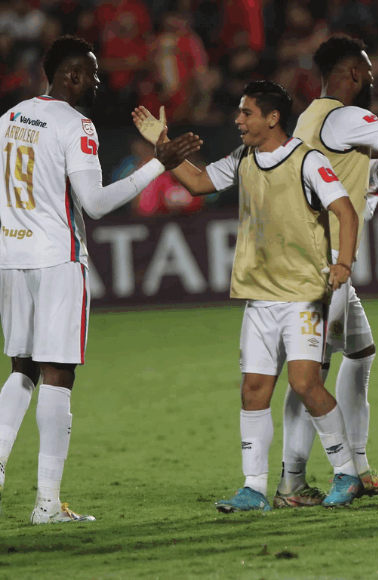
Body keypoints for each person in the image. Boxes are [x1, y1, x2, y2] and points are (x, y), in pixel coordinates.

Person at [132, 80, 363, 510]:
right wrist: (163, 147)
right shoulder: (243, 158)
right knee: (253, 389)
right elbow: (199, 182)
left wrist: (343, 263)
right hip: (259, 295)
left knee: (305, 384)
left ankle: (347, 474)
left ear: (272, 118)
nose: (238, 120)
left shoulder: (307, 161)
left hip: (302, 295)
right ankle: (254, 488)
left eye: (246, 113)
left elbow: (345, 211)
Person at [0, 35, 201, 524]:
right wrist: (161, 164)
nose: (97, 79)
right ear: (70, 75)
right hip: (57, 256)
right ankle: (47, 503)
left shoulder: (9, 118)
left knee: (21, 367)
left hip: (11, 253)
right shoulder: (76, 124)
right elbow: (95, 203)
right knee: (58, 373)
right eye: (90, 72)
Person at [277, 35, 378, 507]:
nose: (373, 81)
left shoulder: (310, 118)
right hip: (324, 265)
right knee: (309, 371)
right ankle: (293, 480)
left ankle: (357, 465)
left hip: (322, 259)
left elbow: (357, 173)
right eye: (370, 74)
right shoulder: (346, 116)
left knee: (359, 352)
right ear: (354, 75)